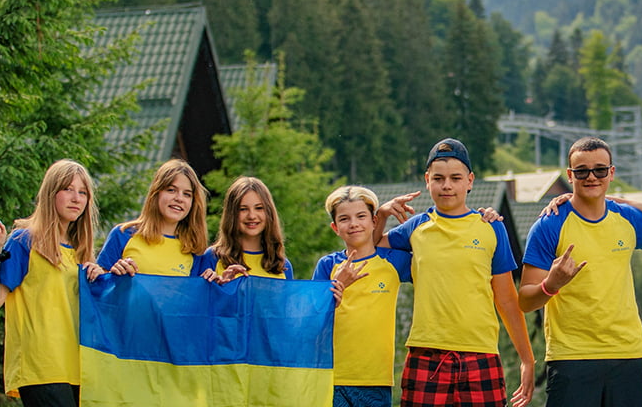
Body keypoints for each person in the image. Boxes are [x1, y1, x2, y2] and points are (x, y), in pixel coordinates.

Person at [518, 136, 642, 407]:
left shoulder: (628, 218)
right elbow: (525, 301)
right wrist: (551, 285)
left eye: (600, 170)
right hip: (572, 358)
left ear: (611, 173)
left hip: (629, 355)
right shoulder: (549, 224)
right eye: (582, 171)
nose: (591, 177)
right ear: (570, 175)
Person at [384, 138, 535, 407]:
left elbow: (507, 300)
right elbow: (368, 245)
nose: (447, 185)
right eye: (438, 178)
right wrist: (382, 213)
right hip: (426, 354)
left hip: (481, 355)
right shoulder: (415, 227)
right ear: (427, 180)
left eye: (455, 178)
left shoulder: (492, 227)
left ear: (470, 181)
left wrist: (527, 359)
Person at [0, 160, 105, 406]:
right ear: (51, 193)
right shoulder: (25, 240)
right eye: (68, 189)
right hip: (41, 366)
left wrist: (99, 278)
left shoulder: (81, 252)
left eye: (83, 193)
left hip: (80, 368)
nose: (76, 198)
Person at [314, 185, 411, 407]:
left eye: (361, 216)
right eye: (344, 219)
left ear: (374, 221)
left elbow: (433, 264)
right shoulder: (327, 265)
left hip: (376, 379)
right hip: (332, 377)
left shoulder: (394, 261)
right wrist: (338, 284)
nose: (354, 224)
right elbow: (313, 317)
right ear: (335, 227)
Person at [97, 159, 209, 276]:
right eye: (171, 190)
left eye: (187, 194)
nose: (179, 198)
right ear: (156, 193)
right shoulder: (123, 234)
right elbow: (100, 282)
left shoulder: (193, 249)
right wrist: (114, 274)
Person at [199, 176, 292, 282]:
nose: (252, 216)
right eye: (243, 209)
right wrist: (222, 286)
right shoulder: (212, 257)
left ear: (269, 212)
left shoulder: (283, 266)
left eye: (259, 208)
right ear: (231, 214)